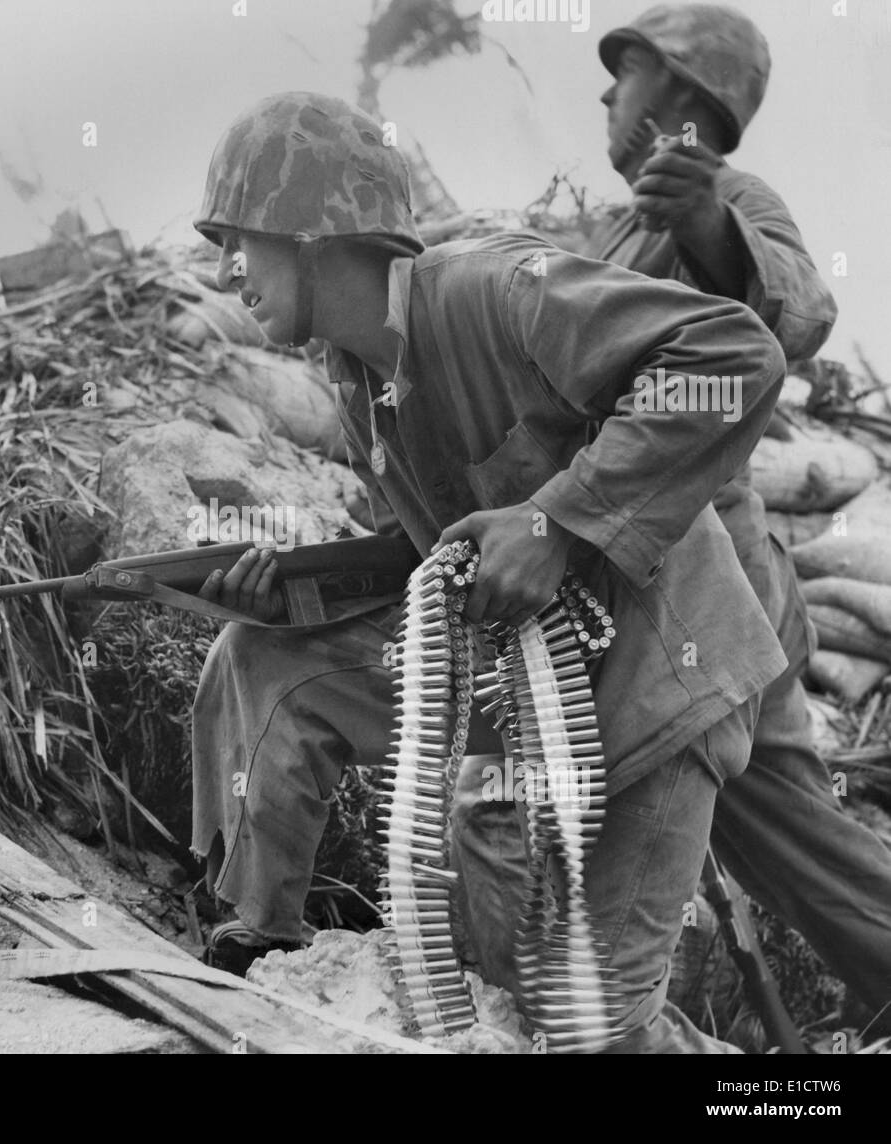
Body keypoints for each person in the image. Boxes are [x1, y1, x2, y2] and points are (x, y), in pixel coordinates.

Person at [189, 89, 791, 1052]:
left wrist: (558, 523)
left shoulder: (496, 291)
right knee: (264, 654)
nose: (224, 272)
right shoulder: (359, 374)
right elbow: (426, 554)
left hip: (655, 691)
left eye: (238, 241)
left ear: (308, 231)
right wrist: (292, 584)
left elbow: (733, 353)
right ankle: (259, 943)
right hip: (520, 700)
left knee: (589, 1028)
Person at [584, 3, 891, 1033]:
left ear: (674, 91)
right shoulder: (621, 223)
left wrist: (713, 227)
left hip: (717, 574)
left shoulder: (728, 196)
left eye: (621, 75)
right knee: (776, 827)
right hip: (657, 567)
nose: (603, 94)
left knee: (784, 824)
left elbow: (797, 314)